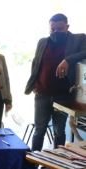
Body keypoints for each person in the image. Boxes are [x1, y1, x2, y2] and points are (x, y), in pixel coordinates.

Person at [25, 13, 86, 151]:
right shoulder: (42, 41)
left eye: (60, 28)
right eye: (53, 29)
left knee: (59, 132)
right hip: (42, 95)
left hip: (62, 97)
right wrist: (35, 84)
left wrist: (67, 60)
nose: (56, 32)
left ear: (67, 26)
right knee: (39, 131)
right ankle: (33, 166)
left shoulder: (78, 39)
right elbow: (36, 63)